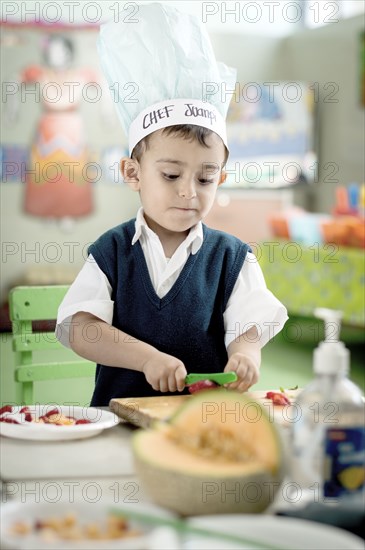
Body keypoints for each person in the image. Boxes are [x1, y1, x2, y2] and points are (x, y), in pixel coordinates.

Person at [56, 3, 288, 406]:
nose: (189, 192)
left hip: (201, 423)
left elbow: (250, 324)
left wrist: (247, 353)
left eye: (205, 177)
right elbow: (81, 327)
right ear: (133, 173)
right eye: (170, 175)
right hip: (121, 421)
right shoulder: (111, 251)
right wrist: (145, 359)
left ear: (222, 177)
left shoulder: (232, 258)